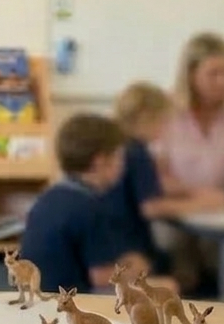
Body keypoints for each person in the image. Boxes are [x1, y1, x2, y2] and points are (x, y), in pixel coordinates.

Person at [151, 32, 224, 296]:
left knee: (223, 261)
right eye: (213, 73)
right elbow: (157, 177)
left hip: (221, 209)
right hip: (177, 209)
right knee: (179, 257)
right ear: (191, 74)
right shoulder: (166, 107)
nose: (223, 81)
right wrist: (201, 196)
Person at [18, 112, 175, 294]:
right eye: (119, 157)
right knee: (168, 287)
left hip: (36, 292)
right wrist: (137, 268)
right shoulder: (91, 207)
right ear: (101, 161)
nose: (122, 164)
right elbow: (101, 277)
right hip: (68, 298)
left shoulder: (51, 196)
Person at [104, 82, 224, 277]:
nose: (165, 128)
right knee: (181, 265)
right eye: (163, 121)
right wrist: (203, 204)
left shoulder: (118, 146)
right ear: (146, 119)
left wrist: (190, 192)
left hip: (111, 241)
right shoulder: (137, 153)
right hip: (130, 248)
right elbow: (151, 207)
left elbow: (146, 186)